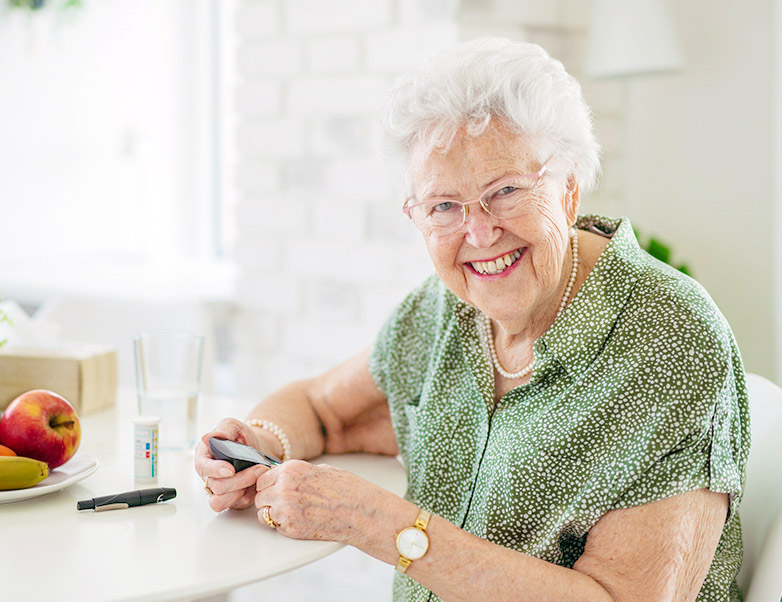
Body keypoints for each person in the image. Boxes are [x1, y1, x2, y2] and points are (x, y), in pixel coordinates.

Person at [194, 37, 749, 602]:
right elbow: (322, 409)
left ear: (569, 191)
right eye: (444, 206)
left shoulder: (670, 337)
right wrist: (258, 443)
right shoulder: (444, 311)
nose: (479, 233)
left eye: (505, 191)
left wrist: (373, 521)